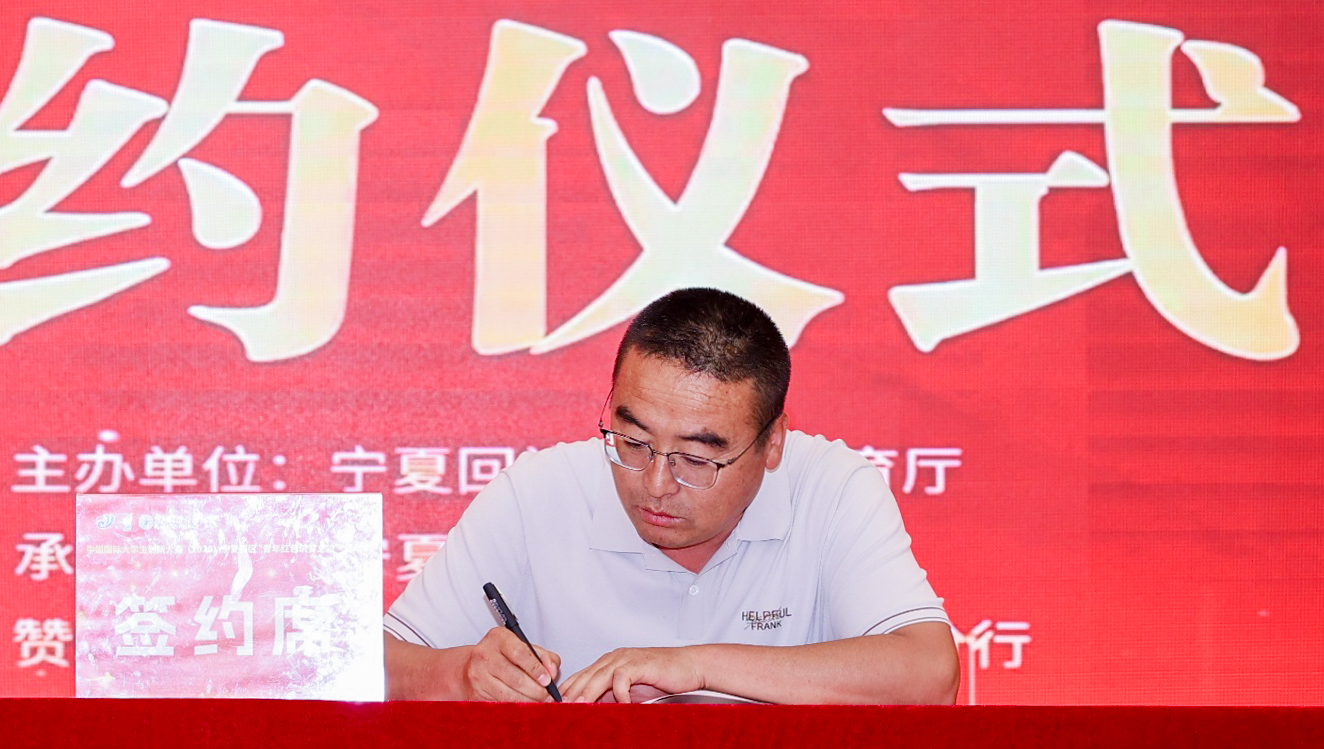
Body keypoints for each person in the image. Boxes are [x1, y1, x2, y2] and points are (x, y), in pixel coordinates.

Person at [383, 287, 959, 704]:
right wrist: (460, 675)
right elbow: (377, 663)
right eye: (633, 441)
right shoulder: (539, 492)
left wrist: (696, 667)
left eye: (697, 459)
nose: (656, 484)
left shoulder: (831, 488)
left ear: (773, 443)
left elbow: (929, 673)